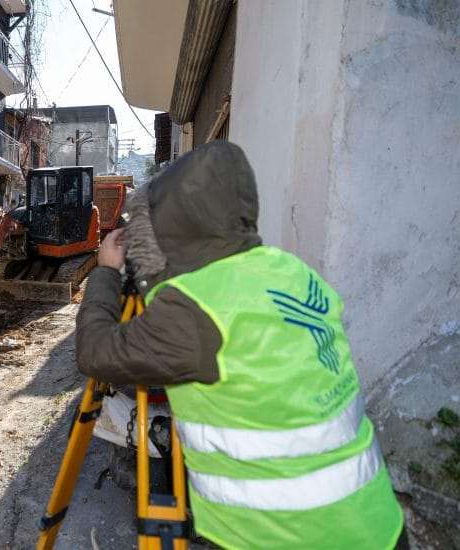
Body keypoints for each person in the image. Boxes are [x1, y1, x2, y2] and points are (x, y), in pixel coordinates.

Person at [76, 141, 407, 549]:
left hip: (282, 536)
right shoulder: (289, 270)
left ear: (171, 227)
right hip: (377, 523)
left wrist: (107, 272)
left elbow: (94, 352)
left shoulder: (193, 305)